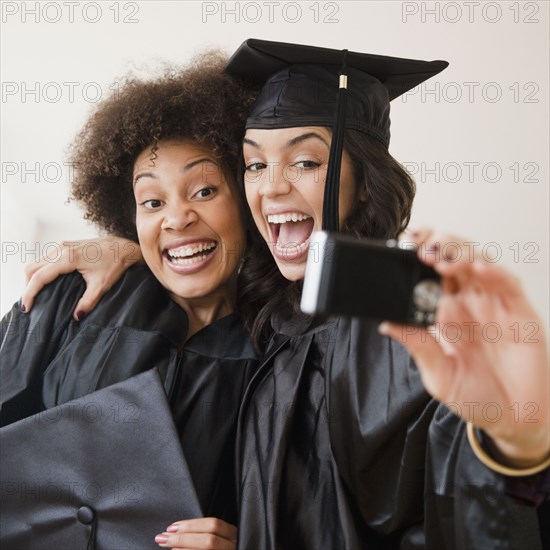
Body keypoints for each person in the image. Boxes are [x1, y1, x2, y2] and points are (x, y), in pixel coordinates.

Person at [19, 39, 550, 549]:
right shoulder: (267, 321)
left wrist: (521, 440)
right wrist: (127, 244)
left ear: (363, 180)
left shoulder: (398, 333)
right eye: (254, 164)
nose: (271, 186)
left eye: (305, 161)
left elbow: (461, 478)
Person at [0, 52, 259, 549]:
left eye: (204, 191)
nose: (177, 219)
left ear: (246, 202)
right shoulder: (76, 296)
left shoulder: (280, 354)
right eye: (152, 202)